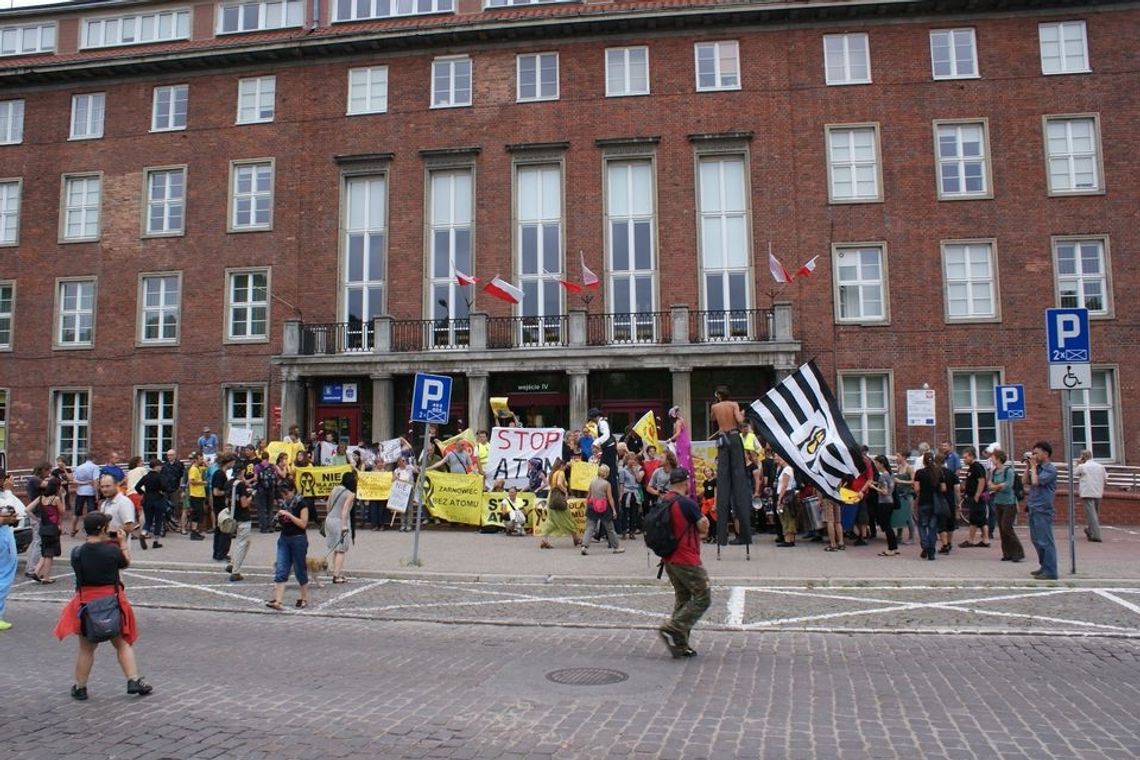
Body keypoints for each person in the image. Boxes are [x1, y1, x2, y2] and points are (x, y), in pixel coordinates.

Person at [54, 512, 152, 700]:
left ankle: (80, 687)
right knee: (122, 644)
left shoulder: (77, 552)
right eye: (108, 526)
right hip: (111, 602)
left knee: (86, 649)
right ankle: (133, 680)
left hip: (86, 604)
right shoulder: (111, 551)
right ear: (102, 529)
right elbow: (125, 564)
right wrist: (122, 544)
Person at [657, 467, 710, 658]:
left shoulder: (665, 500)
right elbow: (703, 527)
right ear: (685, 482)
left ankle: (680, 645)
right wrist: (704, 527)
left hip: (669, 558)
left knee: (684, 598)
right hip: (686, 557)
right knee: (703, 596)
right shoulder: (687, 503)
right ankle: (674, 627)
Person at [710, 386, 752, 547]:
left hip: (722, 438)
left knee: (723, 477)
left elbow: (712, 419)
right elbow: (740, 421)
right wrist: (741, 414)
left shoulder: (715, 406)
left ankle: (722, 536)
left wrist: (716, 404)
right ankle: (745, 533)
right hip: (734, 437)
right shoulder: (734, 404)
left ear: (719, 395)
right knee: (738, 475)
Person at [267, 482, 310, 610]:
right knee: (281, 568)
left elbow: (303, 524)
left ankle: (304, 598)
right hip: (284, 539)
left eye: (286, 493)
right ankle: (278, 601)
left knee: (299, 569)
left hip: (298, 539)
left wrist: (289, 515)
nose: (285, 496)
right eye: (282, 494)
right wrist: (277, 519)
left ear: (293, 491)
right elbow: (277, 523)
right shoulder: (283, 504)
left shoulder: (302, 504)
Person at [1025, 441, 1058, 580]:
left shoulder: (1050, 469)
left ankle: (1051, 570)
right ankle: (1043, 566)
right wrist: (1028, 467)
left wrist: (1033, 466)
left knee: (1045, 540)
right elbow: (1025, 481)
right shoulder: (1037, 468)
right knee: (1036, 540)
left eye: (1036, 453)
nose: (1034, 456)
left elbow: (1036, 482)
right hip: (1033, 506)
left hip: (1043, 508)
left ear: (1045, 453)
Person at [987, 449, 1025, 563]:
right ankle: (1007, 553)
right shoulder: (994, 472)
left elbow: (1008, 486)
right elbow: (989, 485)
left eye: (993, 457)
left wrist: (995, 486)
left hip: (1009, 502)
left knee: (1006, 527)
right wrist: (998, 486)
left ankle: (1018, 552)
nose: (991, 459)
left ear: (998, 458)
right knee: (1001, 528)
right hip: (998, 502)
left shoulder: (1008, 471)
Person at [581, 464, 623, 555]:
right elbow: (610, 498)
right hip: (604, 507)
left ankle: (584, 545)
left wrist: (587, 505)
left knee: (590, 527)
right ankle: (616, 547)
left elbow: (588, 496)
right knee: (610, 528)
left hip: (592, 506)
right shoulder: (607, 484)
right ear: (606, 474)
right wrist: (614, 510)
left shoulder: (592, 482)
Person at [29, 477, 65, 583]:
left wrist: (38, 519)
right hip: (52, 528)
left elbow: (27, 509)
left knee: (45, 551)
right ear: (57, 488)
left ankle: (36, 571)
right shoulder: (55, 499)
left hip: (43, 527)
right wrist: (63, 496)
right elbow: (62, 511)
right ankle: (46, 578)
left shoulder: (40, 498)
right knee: (50, 554)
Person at [539, 459, 580, 549]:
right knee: (567, 517)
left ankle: (544, 539)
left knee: (552, 519)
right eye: (565, 466)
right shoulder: (561, 473)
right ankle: (575, 537)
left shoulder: (553, 473)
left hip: (552, 497)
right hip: (559, 497)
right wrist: (566, 492)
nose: (566, 468)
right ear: (562, 465)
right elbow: (559, 484)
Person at [325, 471, 356, 583]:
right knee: (341, 549)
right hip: (339, 521)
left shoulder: (335, 489)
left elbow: (328, 504)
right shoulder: (350, 494)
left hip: (330, 519)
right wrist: (343, 525)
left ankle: (335, 571)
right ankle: (336, 576)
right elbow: (345, 510)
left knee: (335, 547)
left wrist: (329, 515)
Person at [913, 451, 945, 561]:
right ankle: (931, 551)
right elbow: (944, 488)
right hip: (935, 503)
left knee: (922, 525)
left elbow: (916, 489)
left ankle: (925, 545)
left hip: (923, 502)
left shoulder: (919, 473)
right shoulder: (939, 472)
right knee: (933, 527)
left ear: (924, 461)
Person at [958, 446, 990, 549]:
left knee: (974, 519)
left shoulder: (977, 466)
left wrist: (977, 495)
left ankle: (971, 540)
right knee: (981, 519)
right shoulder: (971, 467)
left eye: (966, 457)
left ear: (972, 456)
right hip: (973, 496)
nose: (964, 460)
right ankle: (985, 540)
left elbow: (981, 481)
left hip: (977, 497)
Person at [0, 469, 20, 631]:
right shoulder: (3, 497)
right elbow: (13, 510)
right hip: (3, 535)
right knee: (4, 574)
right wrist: (8, 490)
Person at [225, 482, 254, 582]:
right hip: (243, 517)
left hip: (234, 516)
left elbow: (227, 501)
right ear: (241, 472)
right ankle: (235, 572)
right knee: (242, 544)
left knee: (244, 542)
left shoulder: (228, 483)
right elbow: (244, 504)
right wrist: (251, 497)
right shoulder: (241, 485)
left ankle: (232, 564)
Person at [870, 455, 899, 556]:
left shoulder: (883, 476)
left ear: (881, 464)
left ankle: (891, 548)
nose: (876, 465)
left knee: (886, 526)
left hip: (884, 502)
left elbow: (884, 491)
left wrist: (873, 487)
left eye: (877, 463)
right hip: (890, 502)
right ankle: (894, 547)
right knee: (889, 525)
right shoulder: (890, 474)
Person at [135, 459, 167, 549]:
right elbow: (164, 487)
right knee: (158, 521)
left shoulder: (146, 476)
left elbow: (137, 487)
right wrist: (162, 491)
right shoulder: (160, 476)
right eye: (160, 466)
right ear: (156, 466)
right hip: (158, 499)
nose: (161, 467)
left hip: (147, 500)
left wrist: (143, 493)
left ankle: (143, 533)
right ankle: (156, 542)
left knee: (148, 520)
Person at [1076, 449, 1106, 543]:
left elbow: (1074, 473)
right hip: (1098, 491)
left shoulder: (1082, 466)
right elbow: (1105, 478)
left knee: (1091, 514)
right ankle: (1090, 530)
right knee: (1095, 513)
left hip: (1087, 491)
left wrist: (1077, 463)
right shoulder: (1100, 466)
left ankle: (1096, 534)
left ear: (1083, 457)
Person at [211, 453, 236, 563]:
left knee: (221, 529)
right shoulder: (219, 474)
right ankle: (220, 553)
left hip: (221, 505)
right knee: (224, 529)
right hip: (220, 505)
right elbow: (216, 492)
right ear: (229, 462)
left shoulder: (222, 474)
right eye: (233, 462)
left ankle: (219, 553)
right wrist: (228, 492)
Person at [71, 454, 100, 538]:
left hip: (80, 491)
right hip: (90, 492)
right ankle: (89, 531)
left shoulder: (79, 467)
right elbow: (95, 480)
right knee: (91, 513)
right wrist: (97, 493)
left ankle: (73, 529)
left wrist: (83, 482)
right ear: (93, 459)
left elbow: (74, 480)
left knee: (77, 512)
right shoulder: (94, 467)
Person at [892, 451, 917, 544]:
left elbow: (913, 481)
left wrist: (900, 481)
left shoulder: (909, 468)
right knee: (900, 514)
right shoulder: (899, 467)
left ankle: (911, 537)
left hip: (908, 495)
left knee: (909, 515)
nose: (896, 458)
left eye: (898, 456)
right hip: (900, 494)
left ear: (904, 457)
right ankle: (899, 536)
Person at [617, 454, 643, 540]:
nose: (632, 461)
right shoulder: (623, 471)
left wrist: (635, 471)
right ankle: (624, 532)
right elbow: (621, 483)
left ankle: (632, 532)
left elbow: (639, 480)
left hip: (635, 493)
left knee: (634, 513)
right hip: (626, 493)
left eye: (633, 459)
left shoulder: (637, 469)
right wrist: (620, 496)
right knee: (625, 513)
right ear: (626, 460)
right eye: (630, 459)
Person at [774, 452, 797, 548]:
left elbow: (784, 485)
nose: (777, 459)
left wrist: (780, 498)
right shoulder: (788, 469)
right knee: (789, 517)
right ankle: (791, 538)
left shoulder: (787, 470)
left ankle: (788, 539)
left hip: (785, 495)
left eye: (778, 457)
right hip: (788, 495)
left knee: (786, 517)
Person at [185, 452, 206, 541]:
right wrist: (202, 482)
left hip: (200, 494)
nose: (202, 460)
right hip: (195, 494)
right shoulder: (193, 469)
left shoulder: (198, 468)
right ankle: (193, 532)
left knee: (199, 513)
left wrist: (205, 464)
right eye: (201, 459)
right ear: (196, 460)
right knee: (196, 514)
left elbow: (205, 468)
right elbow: (191, 481)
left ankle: (196, 531)